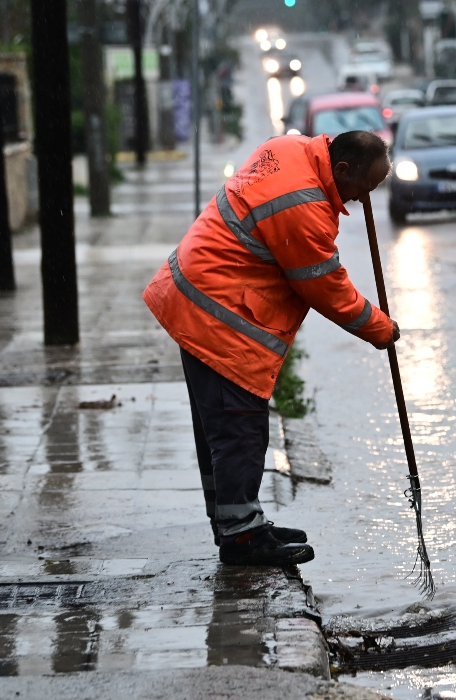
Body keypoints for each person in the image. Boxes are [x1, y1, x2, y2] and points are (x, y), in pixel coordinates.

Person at [142, 131, 399, 566]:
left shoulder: (288, 150)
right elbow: (327, 290)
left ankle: (236, 522)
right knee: (240, 430)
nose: (360, 200)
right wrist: (382, 329)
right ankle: (242, 537)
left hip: (194, 295)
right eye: (362, 188)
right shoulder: (303, 207)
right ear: (341, 169)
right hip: (220, 316)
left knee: (219, 433)